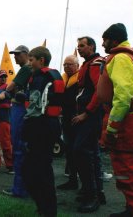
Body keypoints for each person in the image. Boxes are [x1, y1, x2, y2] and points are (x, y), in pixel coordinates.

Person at [98, 23, 133, 217]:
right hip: (131, 121)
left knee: (130, 171)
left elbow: (123, 97)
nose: (102, 43)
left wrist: (112, 129)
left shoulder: (121, 58)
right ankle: (132, 208)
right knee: (124, 169)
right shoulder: (129, 56)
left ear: (113, 40)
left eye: (104, 39)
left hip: (128, 123)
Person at [21, 46, 64, 217]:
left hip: (40, 127)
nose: (29, 63)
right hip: (51, 125)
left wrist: (26, 129)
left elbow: (34, 107)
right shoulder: (54, 76)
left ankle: (46, 210)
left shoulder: (39, 77)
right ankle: (45, 208)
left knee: (35, 171)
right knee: (40, 169)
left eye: (31, 60)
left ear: (41, 60)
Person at [71, 36, 106, 213]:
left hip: (90, 117)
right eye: (78, 46)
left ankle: (92, 195)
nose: (79, 49)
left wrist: (86, 113)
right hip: (88, 115)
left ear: (91, 47)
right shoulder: (88, 63)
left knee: (82, 152)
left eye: (82, 46)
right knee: (90, 154)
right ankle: (94, 191)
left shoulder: (94, 64)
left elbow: (99, 91)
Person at [0, 45, 32, 198]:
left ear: (26, 54)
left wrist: (2, 94)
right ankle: (24, 187)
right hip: (25, 110)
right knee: (24, 150)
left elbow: (11, 87)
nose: (15, 57)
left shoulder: (26, 69)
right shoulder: (32, 70)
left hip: (20, 110)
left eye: (18, 54)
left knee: (18, 148)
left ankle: (19, 189)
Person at [57, 55, 80, 191]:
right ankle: (72, 179)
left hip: (77, 119)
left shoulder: (81, 79)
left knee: (80, 151)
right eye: (65, 65)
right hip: (66, 118)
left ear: (77, 66)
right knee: (69, 150)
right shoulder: (63, 79)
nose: (66, 67)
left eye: (70, 64)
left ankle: (88, 184)